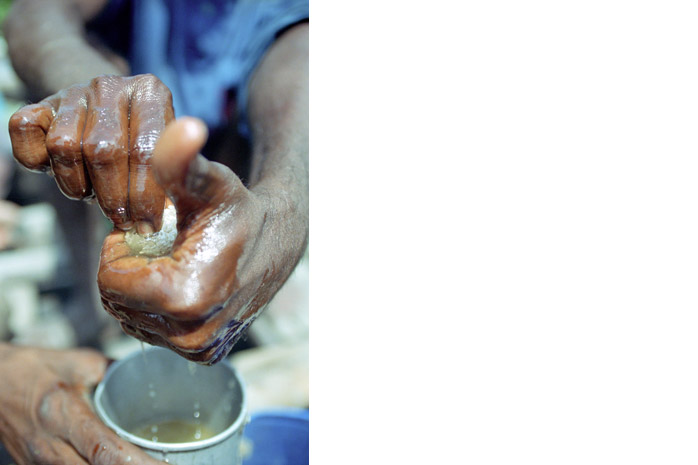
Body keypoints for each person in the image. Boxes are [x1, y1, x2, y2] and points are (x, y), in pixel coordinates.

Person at [0, 0, 308, 463]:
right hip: (116, 143)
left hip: (239, 132)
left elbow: (300, 35)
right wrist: (90, 90)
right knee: (110, 244)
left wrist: (287, 204)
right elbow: (34, 11)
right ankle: (98, 323)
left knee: (223, 297)